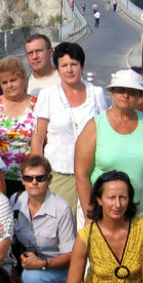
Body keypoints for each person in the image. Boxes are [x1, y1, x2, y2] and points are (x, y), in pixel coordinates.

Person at [75, 69, 143, 226]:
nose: (126, 95)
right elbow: (81, 175)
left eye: (132, 92)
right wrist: (89, 213)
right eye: (120, 90)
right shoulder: (95, 126)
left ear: (140, 96)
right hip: (101, 215)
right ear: (112, 92)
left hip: (141, 213)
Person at [31, 42, 108, 214]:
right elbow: (37, 139)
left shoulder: (96, 94)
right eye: (64, 65)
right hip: (59, 174)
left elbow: (106, 133)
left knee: (92, 222)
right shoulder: (47, 95)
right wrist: (38, 174)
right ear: (57, 68)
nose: (69, 70)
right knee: (62, 227)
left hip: (93, 173)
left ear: (82, 66)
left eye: (74, 64)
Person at [12, 156, 75, 283]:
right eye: (28, 178)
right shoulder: (15, 201)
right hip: (30, 267)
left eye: (40, 178)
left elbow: (71, 255)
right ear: (22, 180)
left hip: (57, 268)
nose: (34, 183)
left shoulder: (61, 208)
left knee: (32, 277)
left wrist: (42, 264)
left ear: (49, 180)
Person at [0, 56, 38, 196]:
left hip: (30, 179)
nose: (9, 86)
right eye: (4, 82)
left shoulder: (38, 106)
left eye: (13, 80)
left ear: (24, 78)